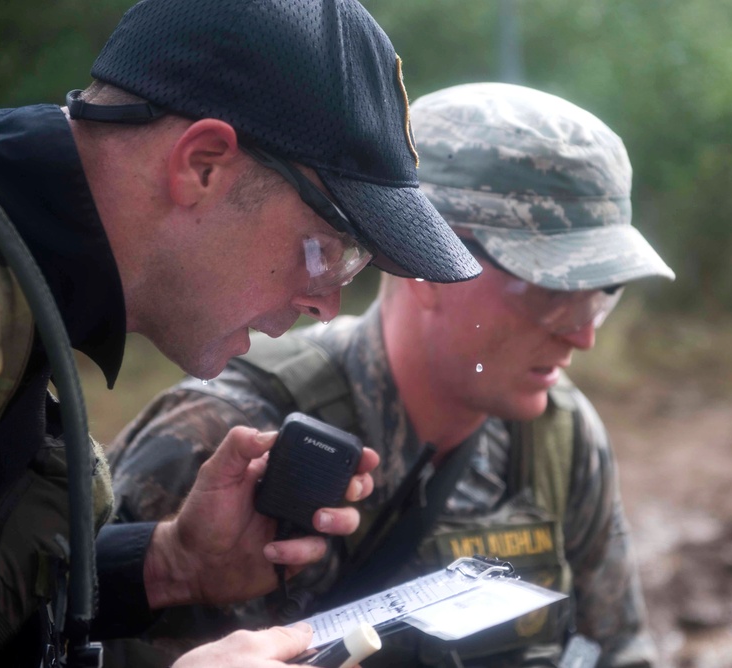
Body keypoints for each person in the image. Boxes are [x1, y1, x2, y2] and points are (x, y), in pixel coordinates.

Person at [0, 0, 480, 665]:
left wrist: (169, 564)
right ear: (202, 164)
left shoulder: (6, 287)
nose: (328, 305)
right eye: (329, 247)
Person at [105, 82, 675, 667]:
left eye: (598, 297)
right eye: (553, 295)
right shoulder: (227, 443)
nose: (583, 336)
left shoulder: (559, 436)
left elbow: (618, 650)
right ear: (431, 264)